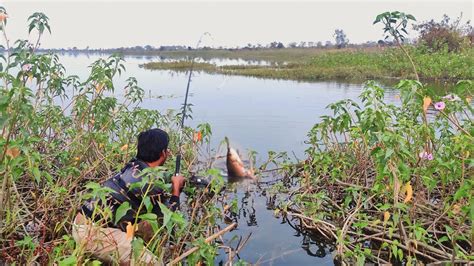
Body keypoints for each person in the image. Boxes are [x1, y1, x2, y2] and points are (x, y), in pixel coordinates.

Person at [72, 128, 185, 265]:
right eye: (166, 150)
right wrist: (176, 190)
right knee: (153, 263)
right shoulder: (151, 185)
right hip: (93, 234)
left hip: (79, 225)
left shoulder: (132, 165)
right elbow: (167, 219)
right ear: (163, 153)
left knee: (145, 228)